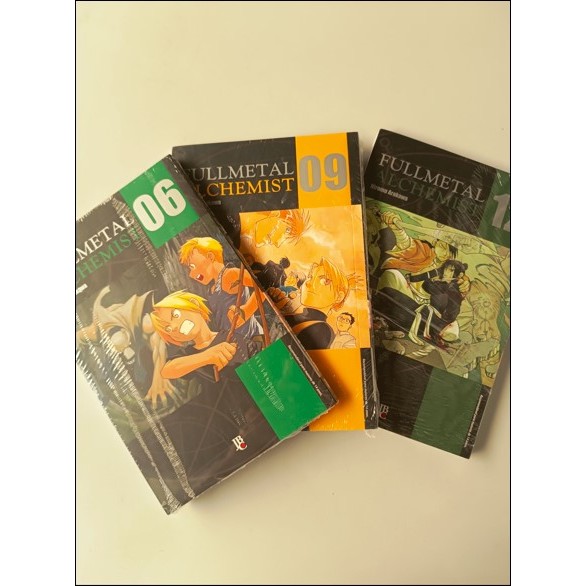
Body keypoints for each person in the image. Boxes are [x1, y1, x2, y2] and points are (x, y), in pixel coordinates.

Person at [150, 291, 251, 381]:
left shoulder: (229, 333)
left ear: (195, 304)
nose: (174, 327)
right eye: (168, 329)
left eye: (176, 315)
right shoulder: (189, 353)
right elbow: (167, 370)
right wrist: (207, 356)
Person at [178, 237, 263, 339]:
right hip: (236, 342)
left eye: (192, 266)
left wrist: (246, 310)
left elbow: (261, 285)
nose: (191, 274)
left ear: (210, 257)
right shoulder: (212, 289)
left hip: (253, 338)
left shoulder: (230, 275)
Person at [269, 257, 360, 350]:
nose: (308, 283)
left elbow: (276, 353)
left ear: (339, 297)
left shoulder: (322, 329)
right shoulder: (294, 314)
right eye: (310, 277)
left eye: (324, 281)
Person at [408, 260, 470, 347]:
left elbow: (453, 312)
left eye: (450, 270)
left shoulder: (453, 288)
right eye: (445, 269)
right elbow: (425, 285)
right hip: (432, 317)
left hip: (442, 324)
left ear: (459, 275)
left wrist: (438, 324)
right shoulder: (441, 283)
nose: (445, 272)